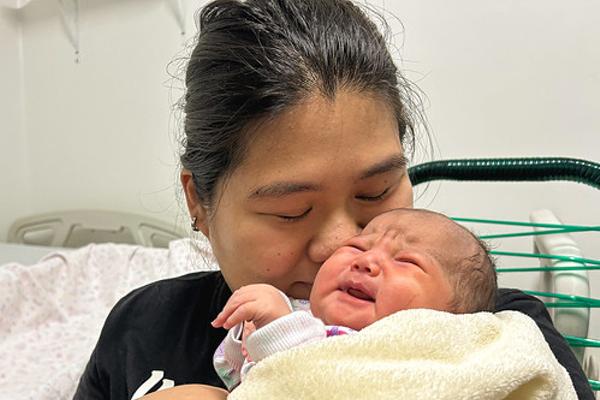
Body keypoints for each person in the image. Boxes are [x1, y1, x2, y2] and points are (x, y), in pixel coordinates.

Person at [73, 0, 594, 399]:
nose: (347, 245)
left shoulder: (495, 335)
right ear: (199, 204)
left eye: (375, 192)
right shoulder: (145, 328)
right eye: (292, 211)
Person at [212, 208, 499, 390]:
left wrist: (281, 330)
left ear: (455, 320)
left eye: (406, 261)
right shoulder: (297, 314)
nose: (365, 261)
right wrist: (249, 334)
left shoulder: (416, 360)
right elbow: (235, 378)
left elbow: (323, 385)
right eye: (356, 247)